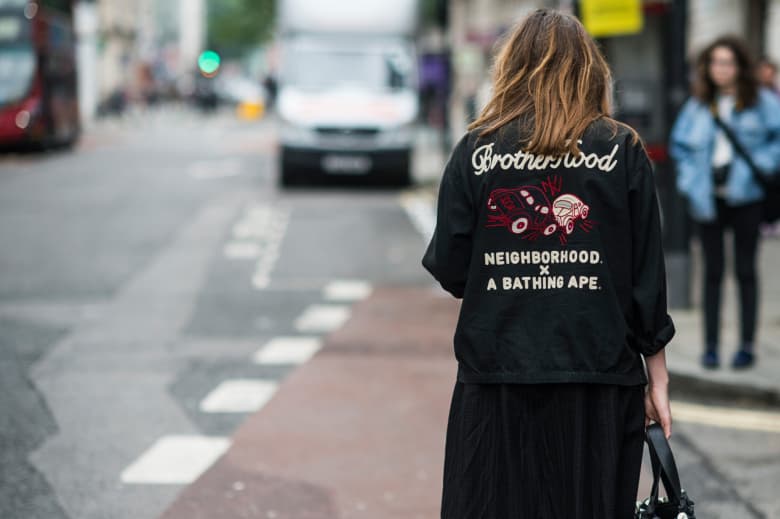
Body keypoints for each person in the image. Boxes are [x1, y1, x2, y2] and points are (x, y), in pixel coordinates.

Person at [422, 9, 674, 518]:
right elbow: (645, 276)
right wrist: (659, 379)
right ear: (588, 69)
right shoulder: (622, 148)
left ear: (510, 68)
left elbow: (450, 266)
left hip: (497, 371)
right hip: (599, 373)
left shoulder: (476, 149)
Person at [670, 36, 780, 370]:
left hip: (746, 197)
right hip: (708, 199)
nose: (722, 69)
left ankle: (746, 346)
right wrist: (690, 182)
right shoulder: (699, 103)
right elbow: (680, 147)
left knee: (746, 270)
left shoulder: (760, 101)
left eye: (728, 62)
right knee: (713, 273)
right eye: (716, 62)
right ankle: (711, 347)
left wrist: (762, 164)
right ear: (708, 67)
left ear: (740, 67)